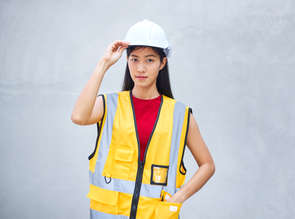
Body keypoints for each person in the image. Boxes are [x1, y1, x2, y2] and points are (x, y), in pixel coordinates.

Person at [71, 19, 215, 219]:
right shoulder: (109, 105)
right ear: (127, 61)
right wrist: (103, 64)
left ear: (162, 63)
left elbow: (208, 165)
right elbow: (78, 116)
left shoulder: (180, 115)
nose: (140, 68)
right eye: (134, 59)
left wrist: (179, 197)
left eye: (149, 60)